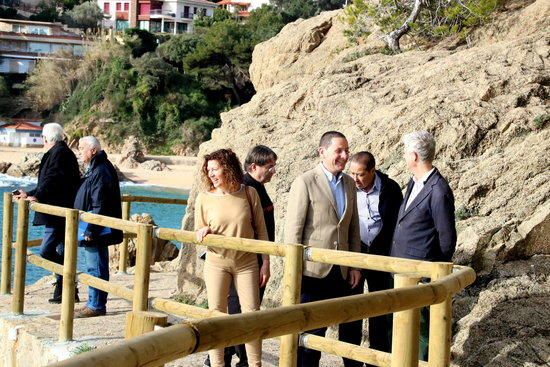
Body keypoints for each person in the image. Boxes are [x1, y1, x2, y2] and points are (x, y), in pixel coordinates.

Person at [284, 131, 362, 367]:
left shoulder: (349, 183)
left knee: (350, 335)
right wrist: (293, 270)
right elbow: (293, 231)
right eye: (339, 150)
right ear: (322, 152)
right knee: (309, 339)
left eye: (346, 150)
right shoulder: (305, 181)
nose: (344, 155)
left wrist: (355, 265)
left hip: (343, 271)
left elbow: (353, 228)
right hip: (312, 272)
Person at [195, 148, 270, 367]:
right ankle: (218, 364)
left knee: (252, 316)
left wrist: (265, 262)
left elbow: (262, 231)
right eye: (208, 170)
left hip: (247, 263)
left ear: (228, 168)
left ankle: (255, 364)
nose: (211, 174)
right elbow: (198, 229)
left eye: (215, 169)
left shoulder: (249, 193)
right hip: (217, 262)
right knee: (216, 315)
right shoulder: (204, 198)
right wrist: (203, 231)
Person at [390, 130, 457, 361]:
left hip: (421, 273)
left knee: (423, 333)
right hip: (401, 269)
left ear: (415, 156)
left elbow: (447, 238)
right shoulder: (414, 181)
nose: (404, 156)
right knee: (402, 327)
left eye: (406, 152)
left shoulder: (438, 190)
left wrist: (433, 273)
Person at [14, 123, 80, 303]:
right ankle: (65, 290)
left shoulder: (59, 153)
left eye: (42, 138)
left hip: (59, 211)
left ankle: (68, 284)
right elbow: (48, 180)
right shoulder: (61, 152)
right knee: (60, 249)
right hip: (60, 211)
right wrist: (30, 193)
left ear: (47, 138)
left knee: (46, 250)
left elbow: (53, 179)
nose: (42, 141)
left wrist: (38, 195)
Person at [348, 151, 403, 366]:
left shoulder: (390, 189)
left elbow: (396, 224)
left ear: (373, 171)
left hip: (382, 257)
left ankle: (377, 360)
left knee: (380, 311)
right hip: (355, 256)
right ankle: (350, 360)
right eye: (352, 173)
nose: (355, 179)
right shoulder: (347, 186)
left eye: (360, 174)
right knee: (352, 309)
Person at [73, 136, 123, 318]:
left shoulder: (100, 169)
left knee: (95, 268)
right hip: (94, 225)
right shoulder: (97, 167)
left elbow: (99, 202)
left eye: (81, 148)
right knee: (97, 266)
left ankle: (95, 305)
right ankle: (95, 303)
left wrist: (91, 230)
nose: (78, 151)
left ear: (92, 150)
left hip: (96, 227)